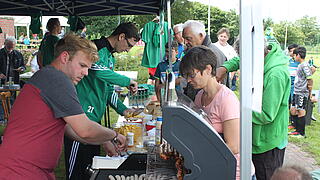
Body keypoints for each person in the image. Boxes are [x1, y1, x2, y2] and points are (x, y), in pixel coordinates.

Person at [0, 33, 127, 179]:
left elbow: (68, 128)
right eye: (82, 65)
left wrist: (104, 139)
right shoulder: (57, 80)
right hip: (20, 170)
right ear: (65, 57)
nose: (86, 73)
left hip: (27, 168)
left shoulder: (48, 76)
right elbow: (85, 129)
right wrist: (115, 135)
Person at [64, 22, 140, 180]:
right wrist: (127, 81)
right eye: (129, 45)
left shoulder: (110, 56)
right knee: (77, 171)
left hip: (94, 120)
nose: (128, 49)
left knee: (90, 169)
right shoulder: (97, 47)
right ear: (121, 36)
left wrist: (122, 109)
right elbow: (98, 72)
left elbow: (108, 87)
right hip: (80, 118)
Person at [216, 41, 291, 180]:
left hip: (268, 143)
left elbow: (266, 114)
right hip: (254, 139)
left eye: (246, 61)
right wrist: (225, 68)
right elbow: (239, 59)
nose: (243, 64)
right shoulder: (257, 57)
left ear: (255, 56)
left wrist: (234, 113)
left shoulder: (275, 75)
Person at [180, 46, 255, 180]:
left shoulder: (226, 99)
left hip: (235, 173)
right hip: (216, 168)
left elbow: (234, 146)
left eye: (192, 75)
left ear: (208, 69)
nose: (188, 80)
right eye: (186, 76)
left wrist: (199, 156)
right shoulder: (199, 96)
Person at [182, 20, 227, 100]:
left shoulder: (212, 54)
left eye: (188, 38)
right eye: (184, 39)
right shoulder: (198, 52)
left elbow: (213, 87)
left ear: (200, 35)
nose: (185, 42)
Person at [289, 46, 313, 137]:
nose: (294, 57)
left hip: (302, 92)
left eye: (295, 55)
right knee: (294, 109)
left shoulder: (304, 65)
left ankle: (301, 133)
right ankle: (295, 128)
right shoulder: (300, 65)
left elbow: (310, 78)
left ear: (298, 55)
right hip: (296, 90)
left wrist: (309, 93)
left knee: (301, 110)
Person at [287, 44, 299, 131]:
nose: (291, 52)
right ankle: (289, 119)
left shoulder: (300, 62)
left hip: (296, 85)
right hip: (288, 83)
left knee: (294, 102)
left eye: (293, 51)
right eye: (290, 51)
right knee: (287, 101)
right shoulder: (288, 60)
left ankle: (294, 122)